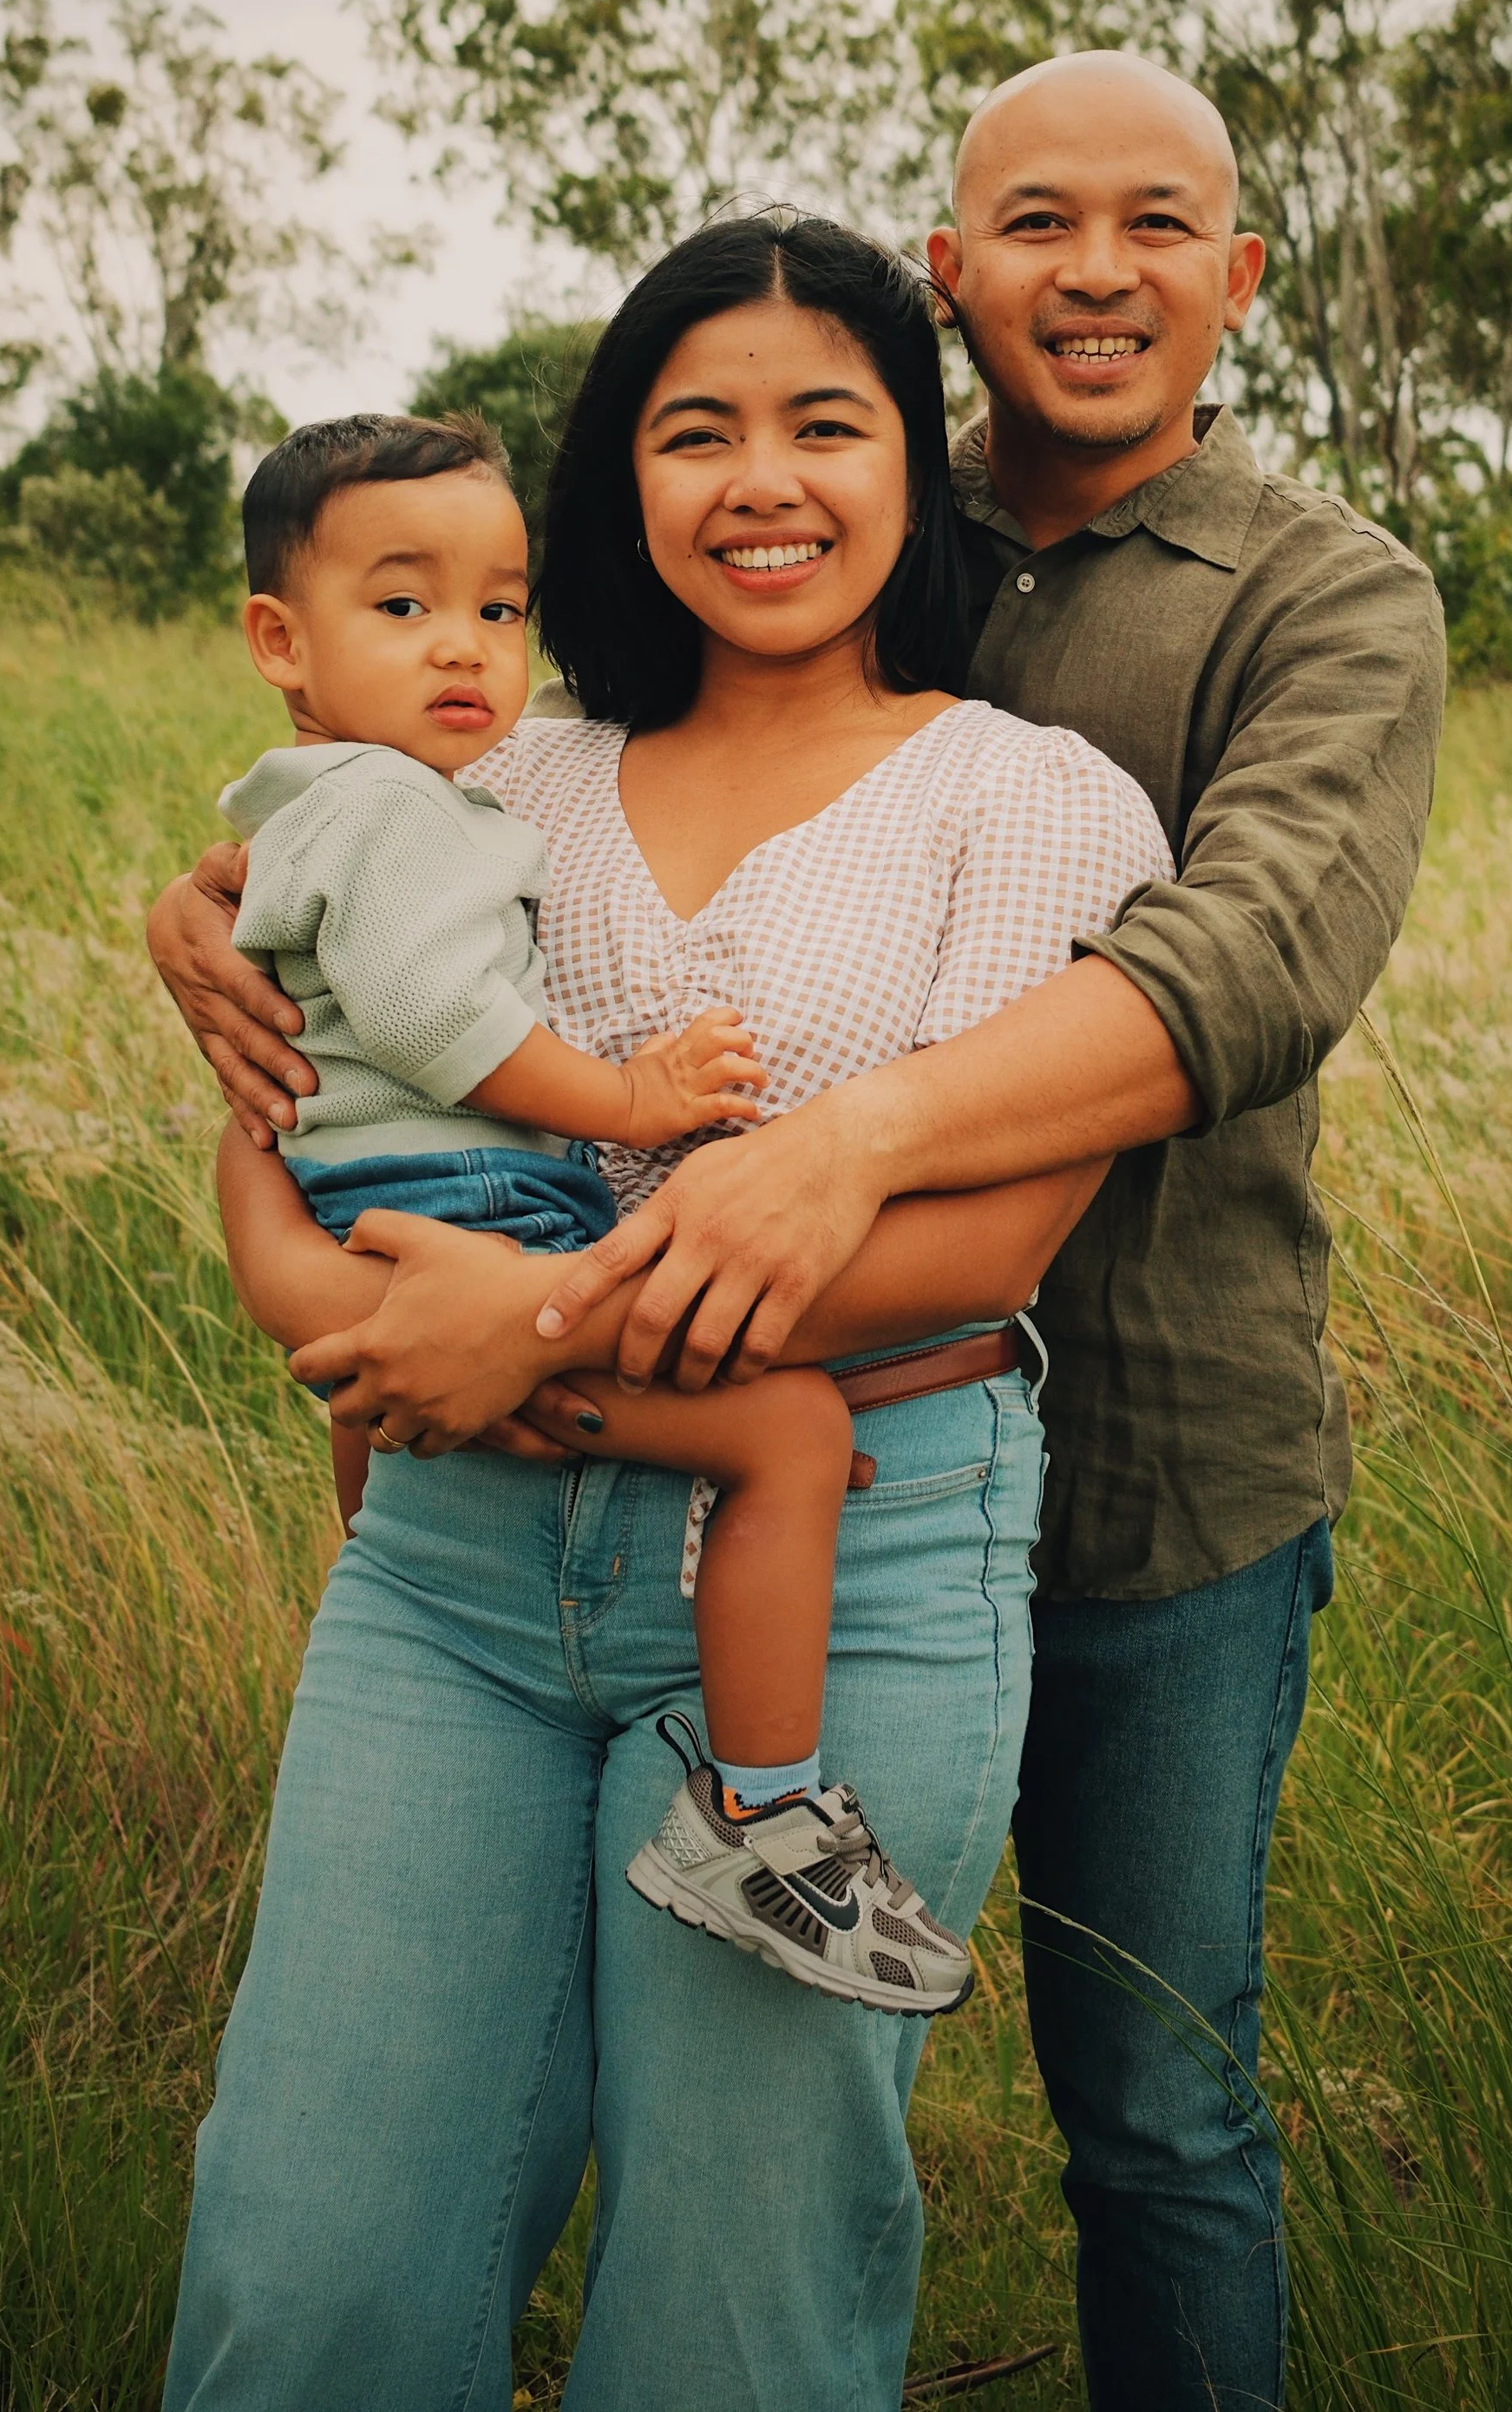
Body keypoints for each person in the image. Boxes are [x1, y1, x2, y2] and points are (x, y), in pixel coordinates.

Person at [154, 214, 1174, 2412]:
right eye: (694, 429)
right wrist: (192, 914)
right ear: (621, 476)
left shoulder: (1029, 796)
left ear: (919, 465)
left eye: (829, 423)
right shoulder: (492, 772)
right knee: (308, 2262)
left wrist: (527, 1325)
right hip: (453, 1569)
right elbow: (294, 973)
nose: (763, 482)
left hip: (854, 1546)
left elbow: (989, 1244)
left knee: (735, 2304)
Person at [215, 401, 973, 2007]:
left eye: (500, 607)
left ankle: (411, 1549)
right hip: (467, 1186)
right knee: (788, 1436)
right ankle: (763, 1812)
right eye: (403, 606)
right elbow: (441, 1020)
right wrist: (634, 1099)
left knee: (401, 1400)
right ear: (282, 638)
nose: (465, 651)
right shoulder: (405, 803)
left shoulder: (313, 798)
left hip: (364, 1193)